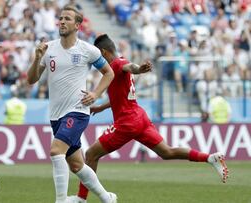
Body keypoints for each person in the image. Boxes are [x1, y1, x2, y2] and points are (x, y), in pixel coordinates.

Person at [70, 34, 229, 203]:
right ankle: (210, 158)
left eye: (98, 57)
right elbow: (122, 94)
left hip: (127, 122)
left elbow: (130, 67)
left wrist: (139, 69)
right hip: (140, 117)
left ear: (104, 52)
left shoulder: (117, 64)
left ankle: (81, 198)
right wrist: (101, 107)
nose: (98, 63)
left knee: (91, 154)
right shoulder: (119, 63)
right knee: (167, 152)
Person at [27, 6, 117, 203]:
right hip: (56, 115)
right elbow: (31, 79)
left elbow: (109, 73)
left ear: (77, 25)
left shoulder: (87, 50)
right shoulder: (49, 48)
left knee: (55, 150)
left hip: (77, 112)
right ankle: (107, 198)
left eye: (67, 18)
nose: (62, 21)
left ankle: (60, 200)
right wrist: (37, 59)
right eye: (60, 18)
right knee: (76, 165)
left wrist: (95, 93)